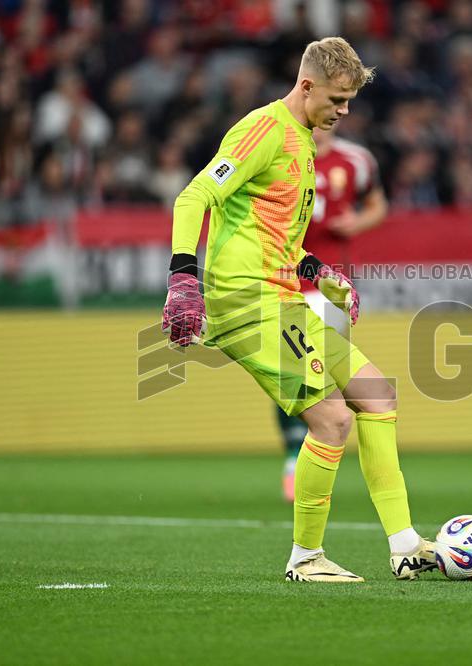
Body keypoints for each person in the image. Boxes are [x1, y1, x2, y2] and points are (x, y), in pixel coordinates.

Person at [163, 38, 435, 582]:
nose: (345, 110)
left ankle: (404, 545)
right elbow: (193, 198)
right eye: (337, 98)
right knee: (333, 420)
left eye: (350, 100)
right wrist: (182, 278)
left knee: (377, 394)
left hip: (284, 296)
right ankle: (305, 559)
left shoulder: (305, 140)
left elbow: (277, 238)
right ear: (306, 86)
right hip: (247, 300)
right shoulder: (263, 131)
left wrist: (318, 272)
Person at [277, 127, 388, 502]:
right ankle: (294, 456)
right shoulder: (283, 154)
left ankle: (317, 456)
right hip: (285, 281)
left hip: (332, 287)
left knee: (330, 375)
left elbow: (378, 205)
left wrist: (356, 223)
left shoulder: (356, 160)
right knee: (293, 374)